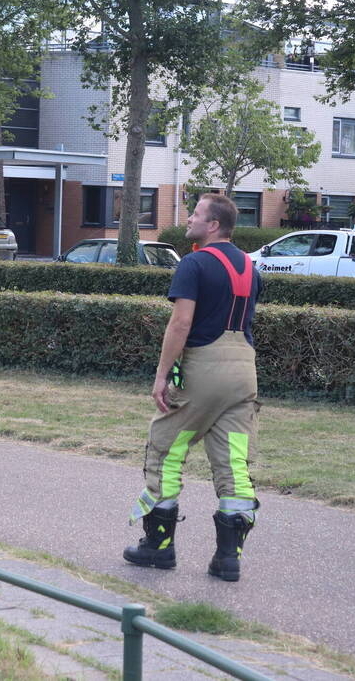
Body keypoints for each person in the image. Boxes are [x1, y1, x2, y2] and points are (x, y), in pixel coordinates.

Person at [123, 193, 263, 582]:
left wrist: (162, 374)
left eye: (196, 213)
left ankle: (158, 548)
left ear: (213, 225)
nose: (188, 217)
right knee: (234, 462)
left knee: (166, 450)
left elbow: (181, 323)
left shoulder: (194, 262)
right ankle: (228, 559)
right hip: (244, 372)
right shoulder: (250, 267)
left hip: (204, 368)